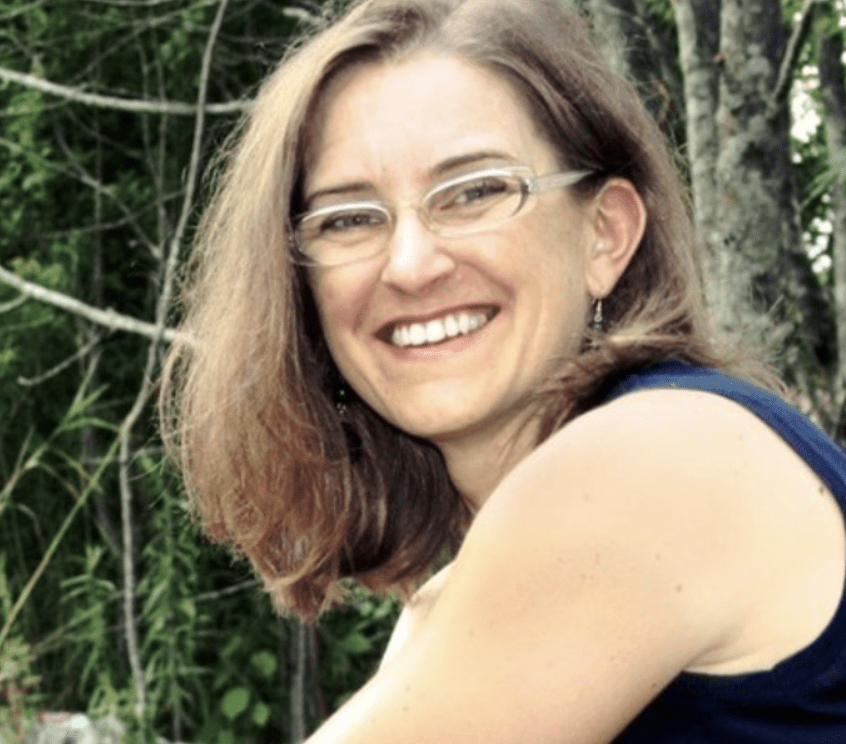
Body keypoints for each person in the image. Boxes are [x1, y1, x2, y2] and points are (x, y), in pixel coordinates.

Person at [159, 0, 846, 741]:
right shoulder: (458, 603)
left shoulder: (655, 464)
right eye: (348, 218)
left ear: (605, 235)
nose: (412, 264)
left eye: (477, 191)